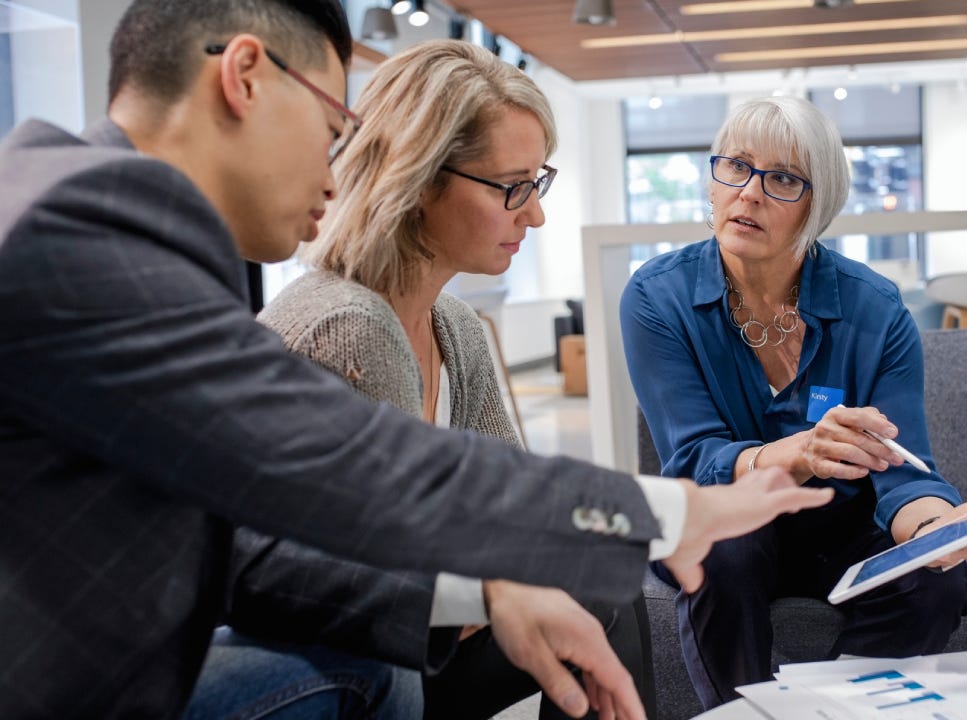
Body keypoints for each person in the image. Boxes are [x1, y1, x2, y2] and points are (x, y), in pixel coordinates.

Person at [0, 2, 836, 717]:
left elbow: (238, 552)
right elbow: (358, 463)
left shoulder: (98, 219)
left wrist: (491, 586)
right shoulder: (89, 221)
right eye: (331, 127)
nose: (334, 173)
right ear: (245, 76)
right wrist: (665, 510)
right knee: (380, 668)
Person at [187, 39, 655, 720]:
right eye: (512, 187)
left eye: (538, 181)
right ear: (418, 179)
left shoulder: (454, 325)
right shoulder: (348, 324)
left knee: (598, 583)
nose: (535, 213)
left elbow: (512, 506)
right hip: (350, 651)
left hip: (418, 630)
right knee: (599, 597)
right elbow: (383, 564)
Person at [619, 96, 967, 711]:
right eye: (735, 166)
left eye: (782, 179)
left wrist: (937, 530)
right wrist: (802, 452)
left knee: (936, 583)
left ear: (819, 204)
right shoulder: (657, 297)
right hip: (726, 521)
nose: (749, 193)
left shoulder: (875, 308)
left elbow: (903, 468)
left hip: (841, 527)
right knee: (724, 552)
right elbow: (694, 460)